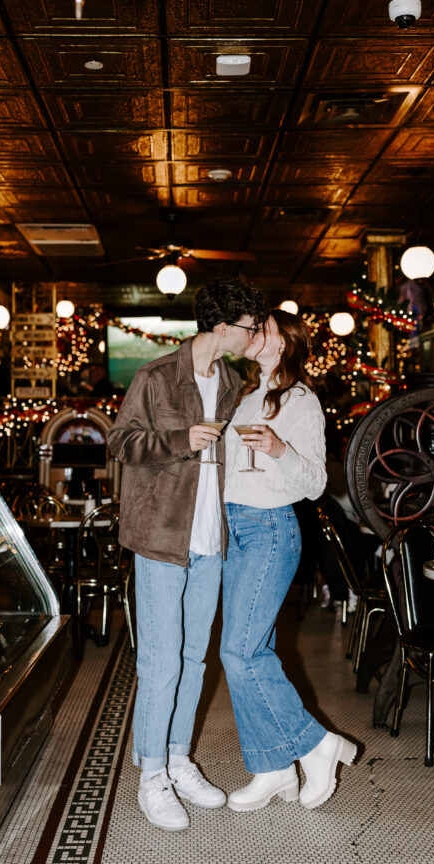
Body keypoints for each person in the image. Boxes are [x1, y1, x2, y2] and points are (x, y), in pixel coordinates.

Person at [106, 277, 267, 832]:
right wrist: (180, 441)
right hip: (160, 538)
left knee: (193, 658)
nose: (254, 336)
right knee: (158, 662)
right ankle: (152, 775)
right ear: (221, 326)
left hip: (210, 540)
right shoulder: (155, 377)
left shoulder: (232, 382)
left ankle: (177, 759)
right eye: (249, 327)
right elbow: (121, 443)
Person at [221, 308, 357, 812]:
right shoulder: (243, 394)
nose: (253, 335)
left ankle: (317, 745)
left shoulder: (300, 400)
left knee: (239, 652)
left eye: (264, 329)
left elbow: (317, 483)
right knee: (252, 651)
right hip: (233, 530)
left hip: (270, 529)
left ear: (285, 343)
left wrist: (279, 447)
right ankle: (272, 767)